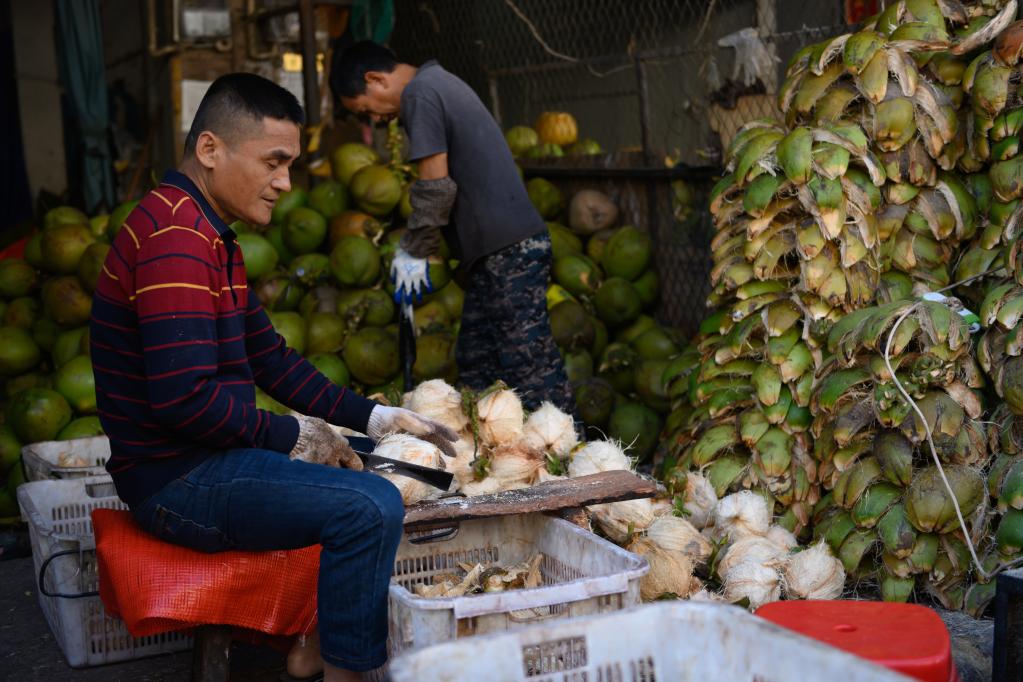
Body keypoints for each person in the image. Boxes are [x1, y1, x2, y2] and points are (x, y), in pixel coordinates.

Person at [90, 72, 457, 682]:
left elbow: (271, 358)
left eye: (290, 164)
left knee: (385, 457)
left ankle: (313, 644)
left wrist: (372, 417)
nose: (285, 182)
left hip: (209, 457)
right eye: (274, 162)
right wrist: (294, 437)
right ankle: (349, 671)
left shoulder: (209, 233)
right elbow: (183, 402)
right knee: (370, 505)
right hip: (178, 480)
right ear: (211, 150)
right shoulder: (176, 239)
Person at [330, 41, 576, 415]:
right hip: (495, 252)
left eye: (366, 110)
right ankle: (486, 455)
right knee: (477, 360)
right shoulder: (436, 83)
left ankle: (576, 454)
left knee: (529, 363)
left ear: (375, 79)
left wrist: (416, 248)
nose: (376, 120)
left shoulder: (421, 93)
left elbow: (435, 186)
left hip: (509, 250)